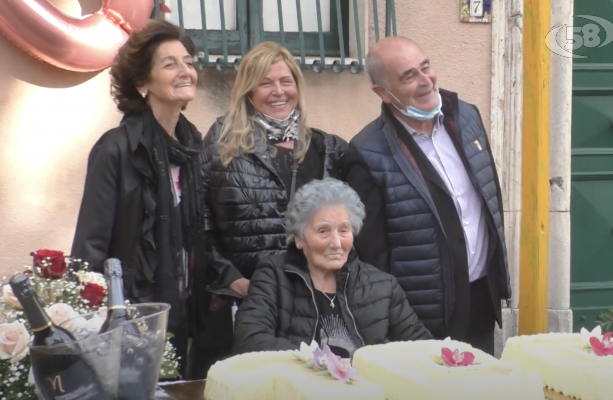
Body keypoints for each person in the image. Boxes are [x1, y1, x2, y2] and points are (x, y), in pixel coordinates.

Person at [343, 36, 510, 355]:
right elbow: (372, 256)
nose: (425, 80)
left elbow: (489, 202)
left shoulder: (467, 119)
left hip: (480, 301)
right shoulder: (366, 152)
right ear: (382, 92)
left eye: (426, 67)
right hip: (420, 317)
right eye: (409, 76)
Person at [196, 41, 348, 374]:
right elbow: (198, 220)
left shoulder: (326, 148)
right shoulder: (222, 141)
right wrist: (228, 277)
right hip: (245, 299)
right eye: (265, 83)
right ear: (249, 90)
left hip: (310, 301)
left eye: (286, 81)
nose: (278, 91)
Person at [71, 20, 207, 376]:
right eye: (170, 64)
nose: (185, 71)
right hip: (129, 319)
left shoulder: (193, 147)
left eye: (188, 62)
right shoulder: (116, 150)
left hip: (182, 313)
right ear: (142, 82)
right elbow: (89, 248)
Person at [232, 178, 433, 356]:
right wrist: (318, 363)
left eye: (343, 230)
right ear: (299, 239)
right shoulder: (273, 276)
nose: (336, 242)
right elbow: (250, 340)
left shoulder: (384, 285)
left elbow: (423, 348)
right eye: (323, 231)